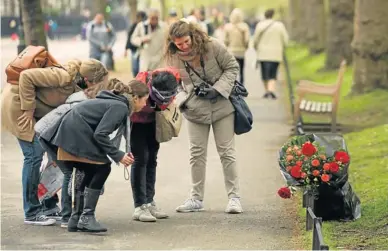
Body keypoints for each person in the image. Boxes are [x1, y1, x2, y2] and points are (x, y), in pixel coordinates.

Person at [1, 59, 108, 226]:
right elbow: (26, 77)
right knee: (33, 156)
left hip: (33, 112)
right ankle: (32, 211)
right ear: (89, 80)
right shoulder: (63, 76)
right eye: (99, 84)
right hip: (18, 107)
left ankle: (48, 205)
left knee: (52, 156)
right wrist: (28, 108)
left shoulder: (76, 86)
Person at [39, 80, 149, 232]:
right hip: (73, 134)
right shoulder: (120, 107)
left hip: (68, 132)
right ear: (135, 97)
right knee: (102, 168)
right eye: (144, 100)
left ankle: (76, 218)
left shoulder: (115, 102)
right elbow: (101, 134)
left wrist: (117, 153)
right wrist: (118, 155)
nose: (145, 105)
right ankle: (86, 217)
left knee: (91, 170)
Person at [164, 19, 243, 214]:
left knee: (226, 152)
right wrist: (185, 99)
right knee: (196, 154)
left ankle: (234, 198)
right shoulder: (174, 56)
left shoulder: (212, 45)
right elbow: (173, 83)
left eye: (185, 42)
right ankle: (196, 198)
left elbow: (232, 67)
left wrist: (217, 90)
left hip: (222, 106)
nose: (183, 46)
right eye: (178, 43)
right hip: (195, 109)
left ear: (192, 35)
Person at [35, 77, 118, 229]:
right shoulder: (87, 105)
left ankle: (72, 216)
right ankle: (70, 216)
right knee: (71, 173)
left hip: (52, 133)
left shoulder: (90, 102)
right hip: (54, 135)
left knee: (75, 172)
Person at [130, 68, 180, 222]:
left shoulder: (172, 79)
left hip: (153, 122)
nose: (164, 100)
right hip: (136, 123)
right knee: (140, 160)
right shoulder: (139, 86)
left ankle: (150, 201)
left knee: (152, 159)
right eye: (160, 97)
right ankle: (139, 206)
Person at [253, 9, 289, 99]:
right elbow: (285, 39)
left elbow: (255, 39)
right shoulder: (279, 26)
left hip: (263, 53)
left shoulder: (260, 25)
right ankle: (271, 90)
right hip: (276, 53)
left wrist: (256, 47)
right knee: (273, 73)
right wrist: (283, 47)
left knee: (264, 73)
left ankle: (267, 91)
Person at [224, 8, 250, 85]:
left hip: (231, 51)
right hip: (241, 51)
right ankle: (242, 84)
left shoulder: (227, 26)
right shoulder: (244, 26)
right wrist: (246, 47)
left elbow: (225, 40)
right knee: (241, 69)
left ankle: (232, 84)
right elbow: (247, 40)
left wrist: (227, 47)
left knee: (232, 69)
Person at [125, 11, 147, 77]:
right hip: (134, 49)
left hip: (143, 49)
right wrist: (126, 49)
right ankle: (135, 77)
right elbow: (129, 38)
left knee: (142, 66)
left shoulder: (146, 26)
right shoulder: (134, 26)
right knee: (135, 67)